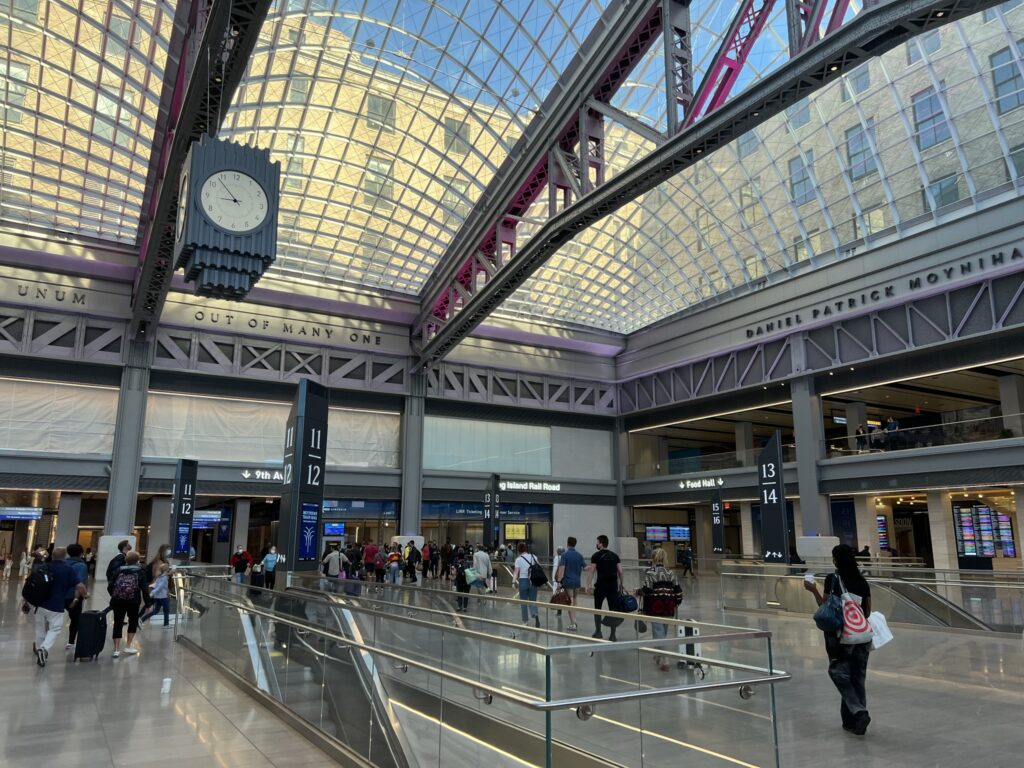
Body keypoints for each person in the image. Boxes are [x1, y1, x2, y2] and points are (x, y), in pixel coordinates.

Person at [803, 544, 873, 736]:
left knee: (838, 673)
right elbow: (867, 611)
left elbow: (825, 608)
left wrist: (813, 590)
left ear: (836, 560)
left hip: (840, 637)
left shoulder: (833, 579)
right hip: (862, 636)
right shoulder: (861, 581)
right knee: (857, 678)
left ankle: (859, 712)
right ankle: (852, 722)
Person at [26, 547, 87, 667]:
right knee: (55, 629)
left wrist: (26, 602)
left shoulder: (44, 567)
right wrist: (85, 594)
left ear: (52, 556)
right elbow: (80, 585)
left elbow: (30, 583)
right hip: (56, 605)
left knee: (40, 629)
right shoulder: (67, 570)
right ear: (64, 556)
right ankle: (44, 649)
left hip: (40, 604)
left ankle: (40, 651)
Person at [640, 548, 683, 671]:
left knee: (658, 632)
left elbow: (647, 590)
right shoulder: (671, 572)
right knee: (662, 632)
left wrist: (639, 592)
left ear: (653, 558)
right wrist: (676, 603)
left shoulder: (650, 572)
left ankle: (665, 658)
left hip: (655, 606)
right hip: (668, 606)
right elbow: (678, 590)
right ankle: (658, 655)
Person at [584, 534, 623, 641]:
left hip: (601, 586)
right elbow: (620, 571)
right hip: (612, 587)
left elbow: (591, 571)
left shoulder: (596, 556)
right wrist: (621, 584)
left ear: (601, 543)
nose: (596, 544)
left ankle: (598, 632)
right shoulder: (615, 556)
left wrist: (587, 585)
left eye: (597, 542)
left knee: (597, 609)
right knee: (613, 610)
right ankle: (613, 635)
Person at [110, 551, 146, 657]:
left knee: (118, 622)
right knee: (133, 621)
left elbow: (111, 585)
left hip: (118, 600)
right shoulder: (140, 571)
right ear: (137, 560)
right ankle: (128, 646)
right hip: (133, 600)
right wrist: (148, 603)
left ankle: (116, 649)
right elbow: (144, 588)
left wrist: (114, 595)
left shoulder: (119, 570)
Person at [555, 536, 585, 632]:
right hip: (577, 582)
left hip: (568, 582)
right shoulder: (579, 555)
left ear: (567, 544)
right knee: (575, 601)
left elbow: (562, 569)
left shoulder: (565, 555)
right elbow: (585, 567)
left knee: (569, 603)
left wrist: (559, 582)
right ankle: (574, 620)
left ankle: (573, 623)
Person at [64, 544, 89, 648]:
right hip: (72, 596)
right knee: (75, 619)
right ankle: (71, 641)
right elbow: (79, 584)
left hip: (60, 595)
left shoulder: (63, 563)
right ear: (81, 553)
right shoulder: (81, 565)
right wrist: (78, 597)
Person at [513, 542, 541, 628]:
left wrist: (513, 582)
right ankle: (535, 615)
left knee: (523, 602)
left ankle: (525, 621)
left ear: (518, 550)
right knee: (533, 600)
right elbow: (539, 567)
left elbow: (516, 572)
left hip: (523, 581)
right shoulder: (533, 557)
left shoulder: (518, 559)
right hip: (533, 581)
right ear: (526, 549)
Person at [141, 563, 172, 627]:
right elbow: (159, 587)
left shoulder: (159, 576)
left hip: (157, 597)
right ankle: (166, 624)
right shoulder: (165, 578)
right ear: (166, 569)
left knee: (155, 611)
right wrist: (153, 592)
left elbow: (156, 585)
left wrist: (153, 593)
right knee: (166, 610)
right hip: (163, 597)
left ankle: (142, 619)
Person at [452, 547, 472, 611]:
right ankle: (465, 607)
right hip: (466, 579)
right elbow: (469, 568)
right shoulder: (467, 559)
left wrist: (454, 575)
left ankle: (459, 606)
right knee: (466, 593)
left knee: (459, 592)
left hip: (459, 578)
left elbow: (454, 570)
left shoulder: (456, 559)